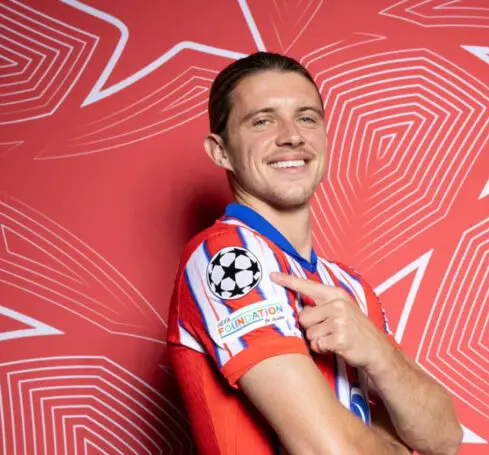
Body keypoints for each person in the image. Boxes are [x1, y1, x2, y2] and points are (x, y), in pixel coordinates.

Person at [167, 52, 463, 455]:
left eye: (306, 118)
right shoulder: (228, 258)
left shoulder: (347, 286)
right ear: (221, 152)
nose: (292, 136)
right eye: (263, 121)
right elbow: (330, 450)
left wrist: (378, 353)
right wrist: (396, 445)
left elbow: (444, 438)